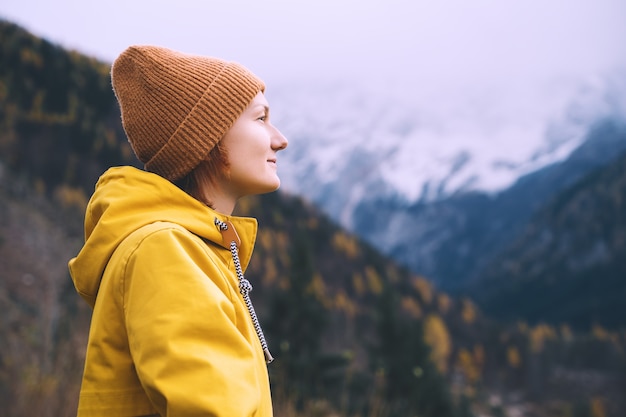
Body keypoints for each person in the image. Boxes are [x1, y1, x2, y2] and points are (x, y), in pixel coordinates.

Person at [68, 45, 288, 416]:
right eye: (260, 119)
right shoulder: (164, 248)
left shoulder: (192, 249)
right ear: (206, 139)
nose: (279, 139)